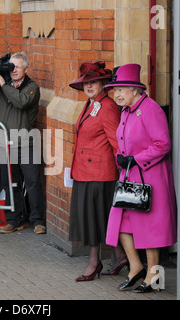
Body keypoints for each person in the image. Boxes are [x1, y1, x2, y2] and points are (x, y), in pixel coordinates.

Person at [104, 63, 177, 293]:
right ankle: (135, 266)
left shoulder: (150, 108)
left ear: (135, 89)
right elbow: (122, 142)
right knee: (121, 222)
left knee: (148, 226)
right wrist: (121, 158)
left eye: (121, 89)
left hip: (150, 176)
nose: (117, 94)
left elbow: (163, 144)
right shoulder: (126, 111)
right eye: (114, 90)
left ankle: (154, 273)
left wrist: (136, 159)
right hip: (130, 177)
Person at [68, 61, 126, 281]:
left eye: (93, 82)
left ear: (103, 83)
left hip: (100, 174)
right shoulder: (91, 103)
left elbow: (117, 143)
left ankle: (95, 262)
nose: (89, 86)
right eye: (86, 82)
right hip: (86, 170)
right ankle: (119, 255)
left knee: (96, 218)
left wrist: (123, 172)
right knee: (95, 217)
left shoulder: (108, 107)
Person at [0, 52, 46, 234]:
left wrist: (2, 84)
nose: (13, 70)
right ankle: (13, 219)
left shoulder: (32, 87)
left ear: (26, 68)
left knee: (32, 183)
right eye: (11, 66)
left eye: (17, 66)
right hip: (5, 145)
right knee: (9, 183)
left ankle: (38, 221)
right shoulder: (1, 87)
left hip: (26, 143)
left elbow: (21, 101)